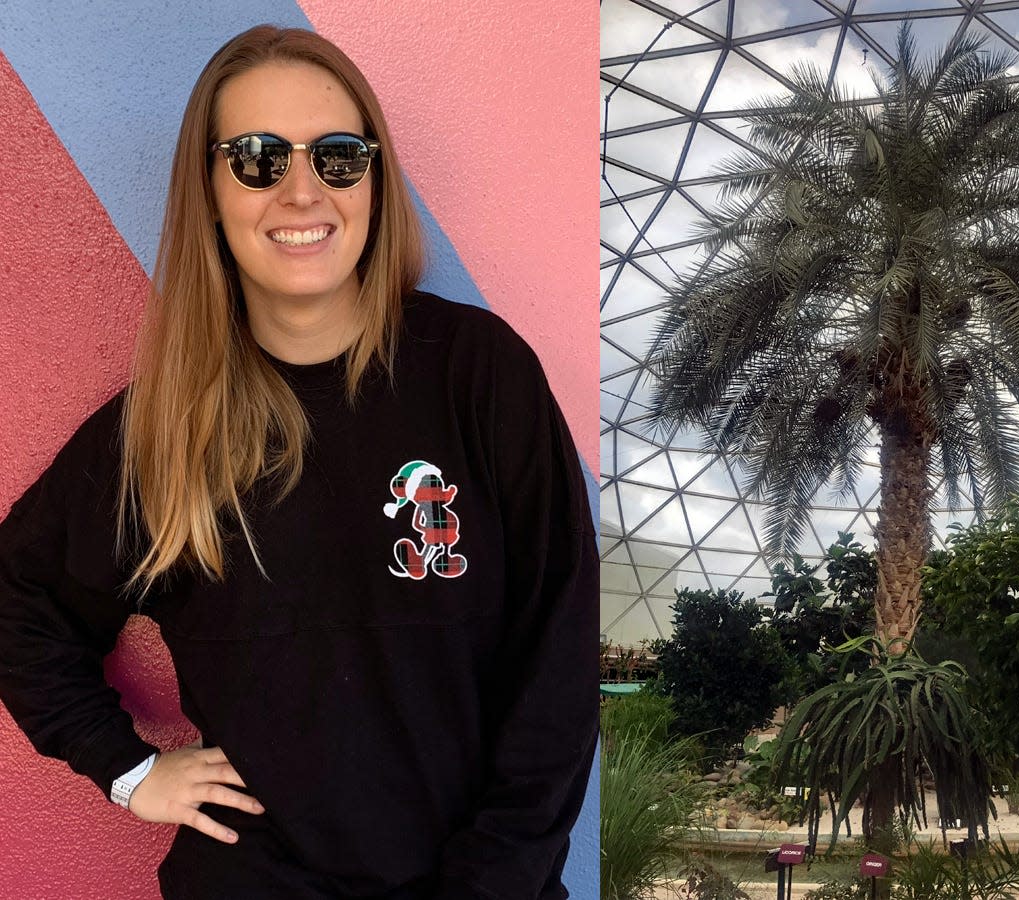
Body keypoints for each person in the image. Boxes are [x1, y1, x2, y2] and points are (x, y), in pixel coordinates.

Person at [0, 24, 597, 900]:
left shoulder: (477, 373)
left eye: (339, 156)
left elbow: (558, 654)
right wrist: (128, 769)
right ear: (208, 189)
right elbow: (17, 598)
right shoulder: (166, 427)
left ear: (375, 179)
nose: (302, 190)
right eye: (257, 158)